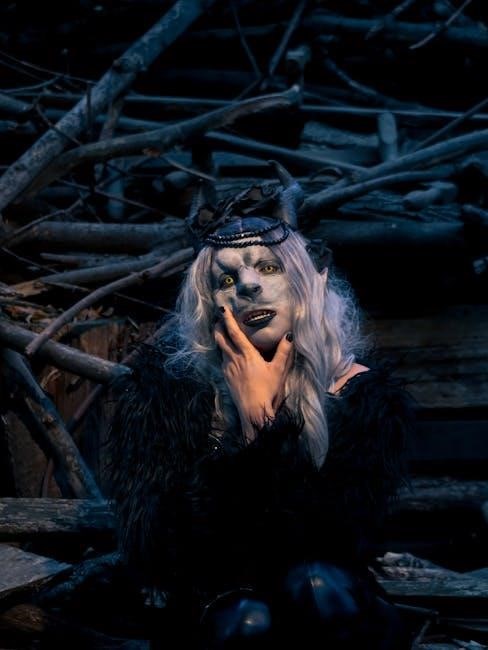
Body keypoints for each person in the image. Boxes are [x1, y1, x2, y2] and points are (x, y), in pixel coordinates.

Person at [108, 165, 415, 648]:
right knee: (247, 621)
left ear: (305, 284)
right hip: (218, 604)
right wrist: (251, 425)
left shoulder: (362, 394)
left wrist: (264, 424)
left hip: (332, 602)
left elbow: (342, 538)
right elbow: (159, 551)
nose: (247, 286)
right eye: (226, 279)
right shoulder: (165, 395)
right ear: (210, 304)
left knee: (316, 585)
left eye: (267, 268)